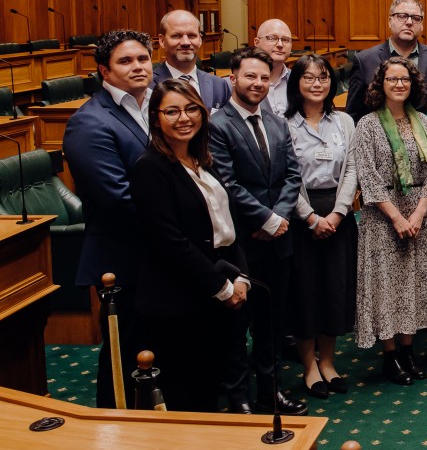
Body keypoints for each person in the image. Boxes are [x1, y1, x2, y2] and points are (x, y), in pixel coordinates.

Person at [130, 79, 248, 413]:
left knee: (209, 387)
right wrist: (221, 287)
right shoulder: (150, 168)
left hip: (216, 291)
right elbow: (170, 242)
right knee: (186, 396)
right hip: (178, 301)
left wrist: (241, 277)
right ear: (156, 118)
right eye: (172, 111)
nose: (184, 118)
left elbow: (229, 224)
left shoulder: (202, 160)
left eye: (191, 109)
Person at [208, 46, 307, 416]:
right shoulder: (217, 126)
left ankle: (270, 390)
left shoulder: (277, 121)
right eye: (250, 76)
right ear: (232, 79)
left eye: (265, 77)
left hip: (278, 240)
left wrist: (280, 219)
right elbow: (227, 184)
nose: (258, 83)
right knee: (237, 324)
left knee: (272, 321)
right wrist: (266, 219)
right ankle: (240, 398)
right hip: (242, 242)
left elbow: (292, 175)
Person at [64, 29, 155, 408]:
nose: (137, 67)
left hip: (160, 254)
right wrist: (180, 224)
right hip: (124, 258)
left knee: (156, 349)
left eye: (142, 59)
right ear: (104, 69)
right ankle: (119, 429)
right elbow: (118, 198)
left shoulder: (159, 102)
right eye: (125, 61)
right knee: (124, 355)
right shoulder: (90, 122)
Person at [351, 56, 427, 385]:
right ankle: (390, 356)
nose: (399, 84)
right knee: (388, 287)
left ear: (413, 83)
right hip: (383, 217)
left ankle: (408, 350)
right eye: (392, 79)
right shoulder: (368, 124)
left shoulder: (422, 120)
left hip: (418, 214)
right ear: (381, 84)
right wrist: (396, 217)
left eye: (405, 79)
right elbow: (368, 177)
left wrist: (418, 213)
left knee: (414, 284)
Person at [284, 54, 358, 399]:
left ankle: (328, 362)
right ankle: (309, 366)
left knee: (335, 289)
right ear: (296, 83)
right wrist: (311, 217)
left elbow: (353, 170)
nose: (317, 84)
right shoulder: (282, 124)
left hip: (339, 214)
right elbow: (287, 178)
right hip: (301, 217)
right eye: (309, 78)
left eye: (324, 77)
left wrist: (339, 213)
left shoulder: (343, 121)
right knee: (305, 291)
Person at [346, 0, 427, 120]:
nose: (409, 22)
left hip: (425, 135)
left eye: (416, 18)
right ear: (390, 21)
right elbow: (354, 114)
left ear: (421, 25)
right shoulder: (364, 60)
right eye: (402, 16)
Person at [153, 9, 231, 109]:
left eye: (192, 36)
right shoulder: (148, 86)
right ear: (162, 41)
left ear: (200, 40)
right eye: (176, 36)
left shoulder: (219, 85)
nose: (186, 42)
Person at [253, 18, 294, 117]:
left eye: (285, 40)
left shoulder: (298, 79)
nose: (280, 44)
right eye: (272, 38)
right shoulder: (238, 84)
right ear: (257, 43)